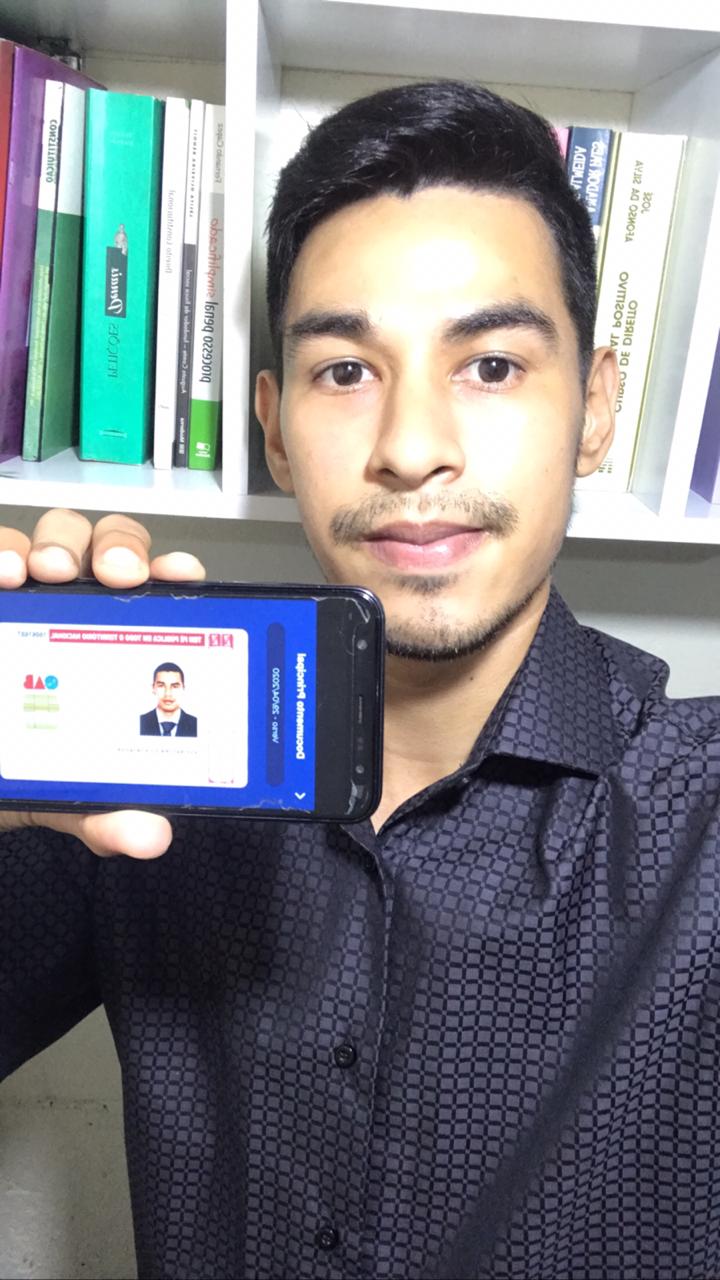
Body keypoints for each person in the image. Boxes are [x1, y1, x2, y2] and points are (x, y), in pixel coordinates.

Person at [1, 80, 719, 1280]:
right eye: (345, 370)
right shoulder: (129, 788)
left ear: (595, 412)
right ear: (275, 429)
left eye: (492, 363)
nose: (411, 446)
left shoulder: (698, 823)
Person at [139, 662, 198, 737]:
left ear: (183, 688)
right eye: (161, 686)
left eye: (175, 686)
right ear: (153, 688)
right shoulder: (139, 723)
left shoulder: (197, 725)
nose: (168, 694)